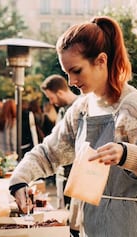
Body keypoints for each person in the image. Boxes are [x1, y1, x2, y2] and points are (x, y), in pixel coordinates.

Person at [8, 16, 137, 237]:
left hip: (124, 229)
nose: (71, 81)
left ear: (101, 61)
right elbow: (49, 153)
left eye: (77, 71)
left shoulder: (135, 108)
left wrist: (129, 155)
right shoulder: (82, 107)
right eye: (67, 73)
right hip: (84, 229)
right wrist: (19, 179)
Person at [40, 74, 79, 211]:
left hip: (75, 177)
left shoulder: (80, 108)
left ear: (60, 92)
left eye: (51, 97)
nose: (51, 102)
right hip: (63, 174)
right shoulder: (63, 110)